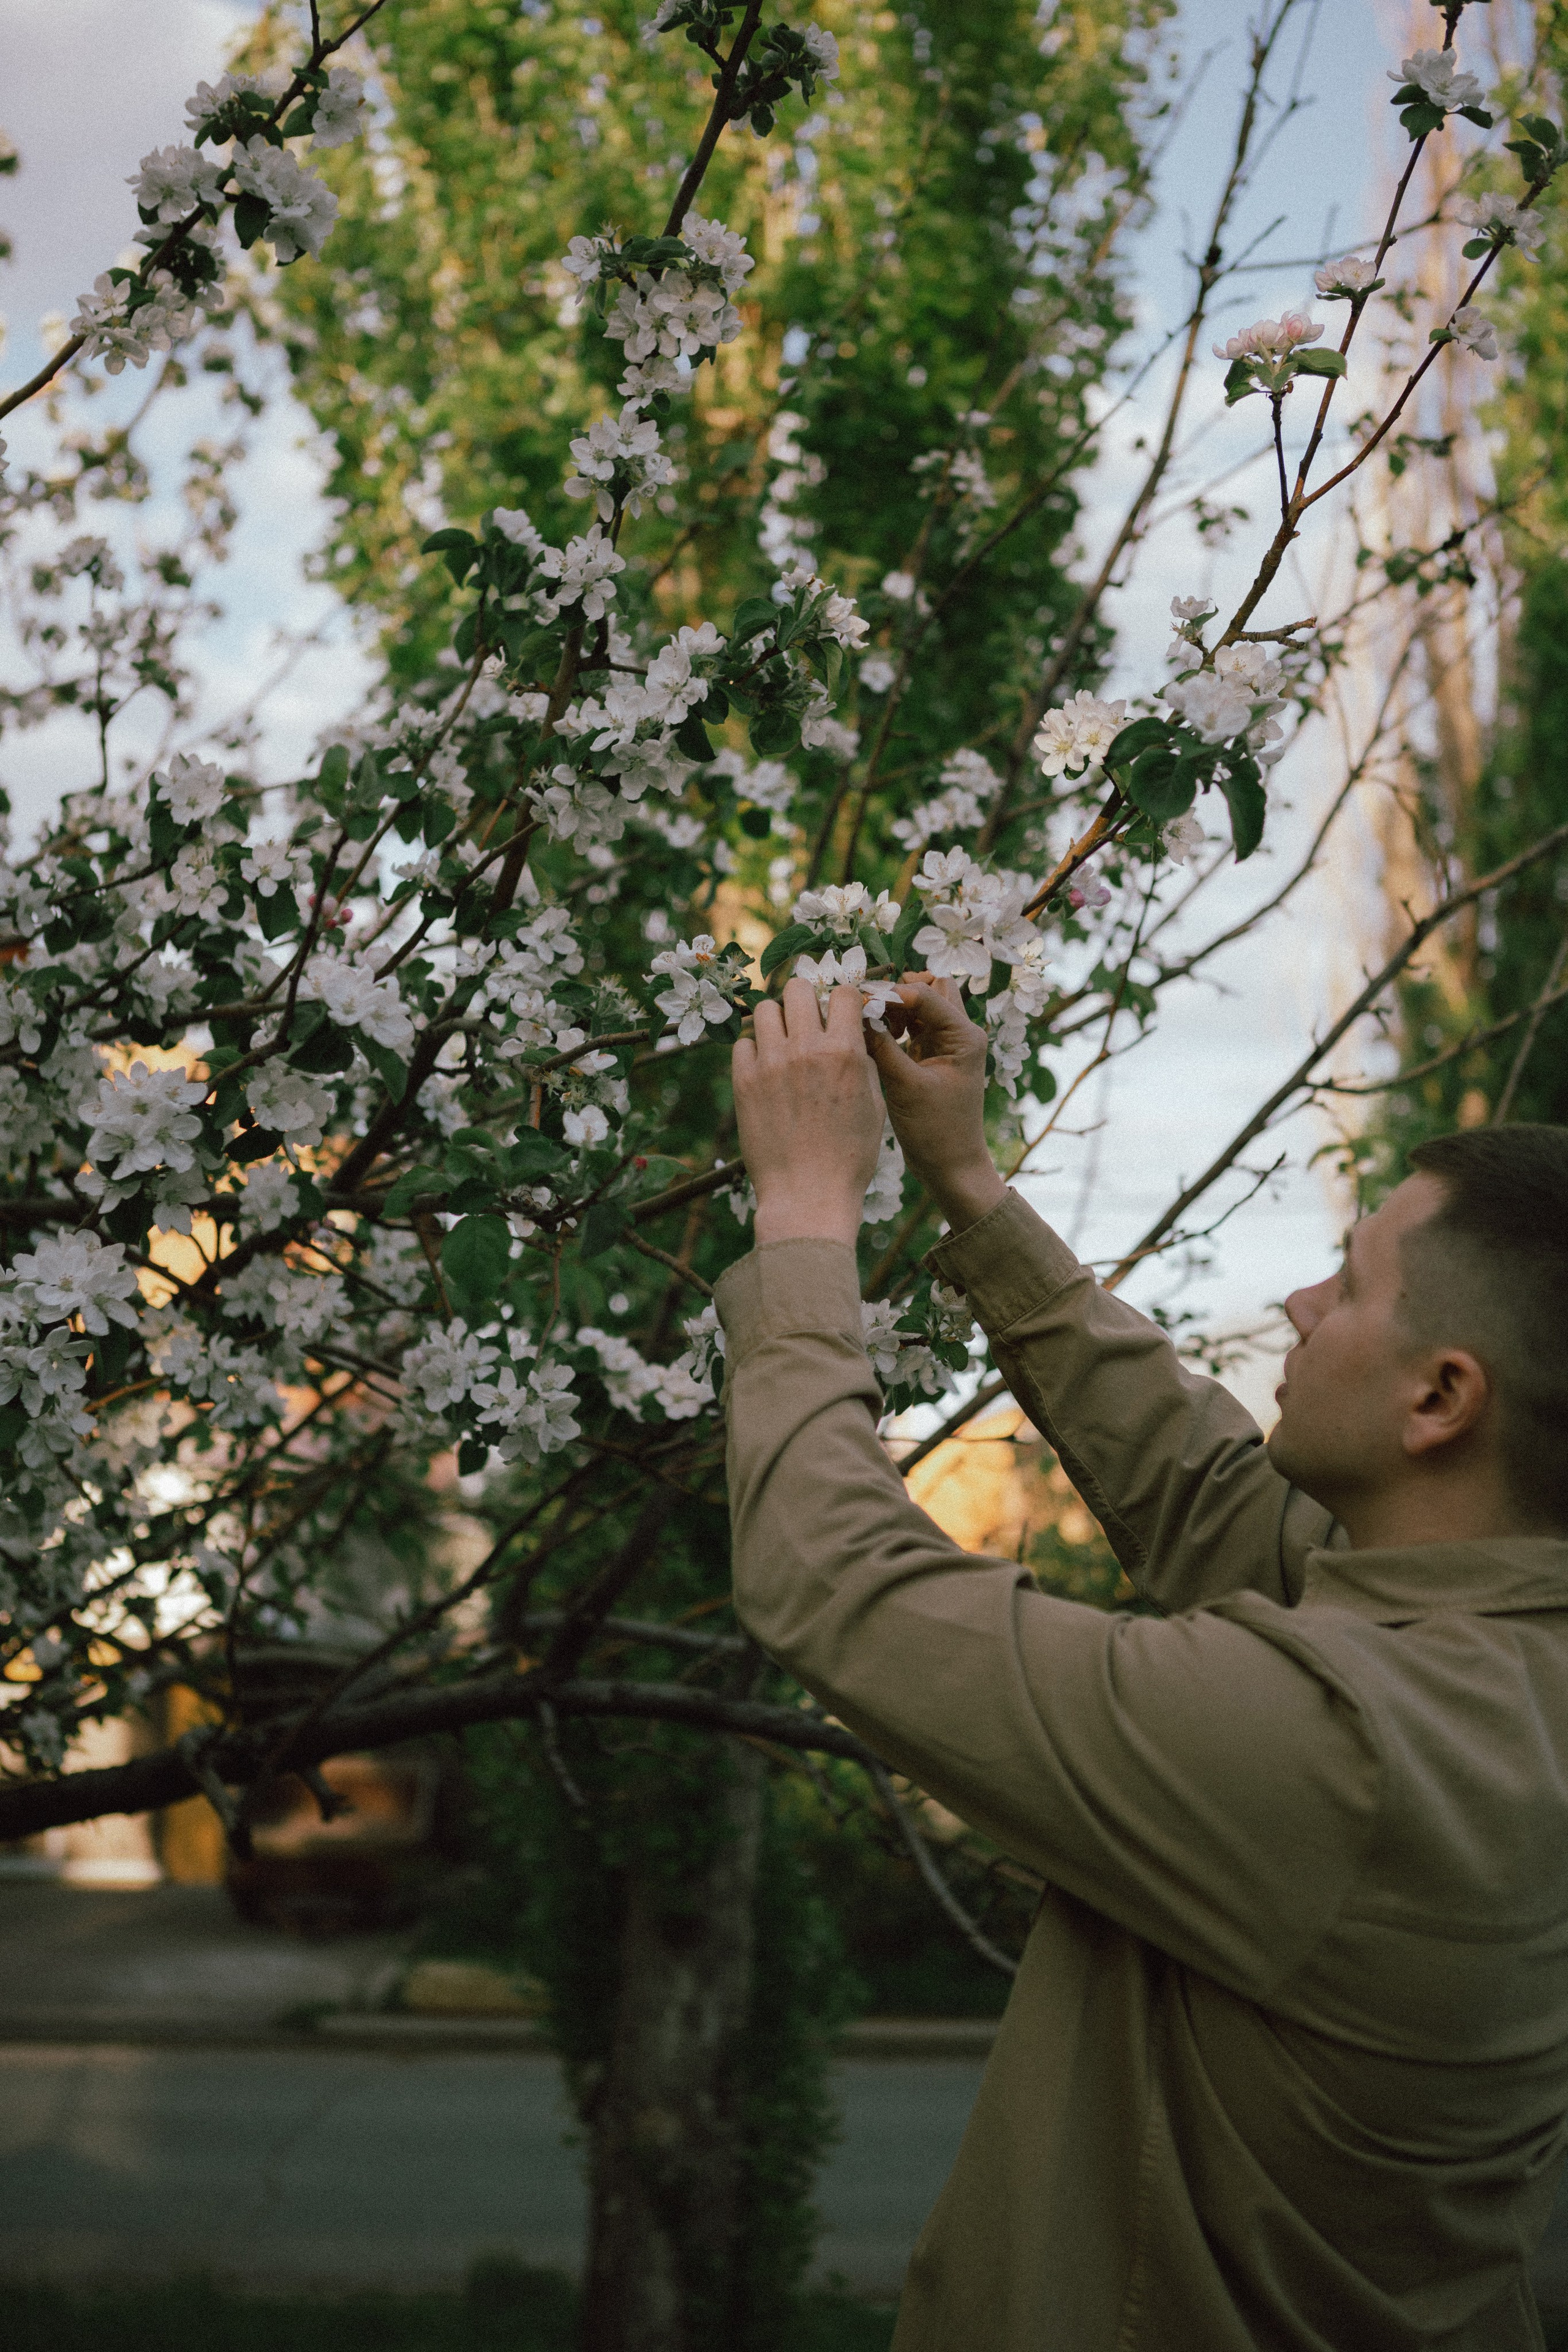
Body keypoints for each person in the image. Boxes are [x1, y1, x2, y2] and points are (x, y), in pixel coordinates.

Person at [715, 970, 1568, 2352]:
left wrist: (806, 1216)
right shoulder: (1495, 1651)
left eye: (1345, 1284)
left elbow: (840, 1584)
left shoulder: (1352, 1749)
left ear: (1439, 1397)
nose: (1294, 1304)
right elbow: (1207, 1495)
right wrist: (966, 1184)